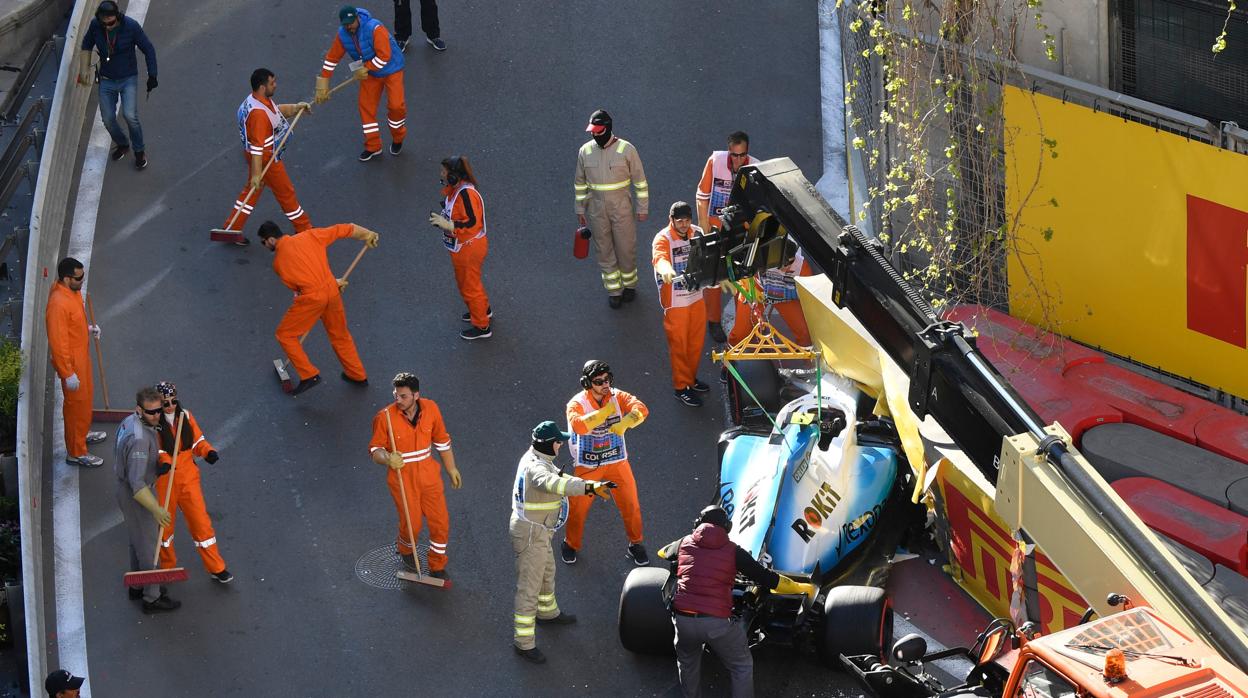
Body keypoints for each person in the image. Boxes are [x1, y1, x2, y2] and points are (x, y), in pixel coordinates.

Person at [664, 505, 813, 698]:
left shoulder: (684, 542)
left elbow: (665, 552)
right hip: (716, 624)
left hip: (683, 620)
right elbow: (768, 579)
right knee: (741, 665)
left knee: (687, 662)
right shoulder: (734, 552)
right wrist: (798, 587)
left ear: (697, 524)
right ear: (728, 527)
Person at [510, 421, 613, 664]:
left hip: (539, 531)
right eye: (559, 441)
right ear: (549, 445)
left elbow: (557, 475)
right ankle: (523, 642)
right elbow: (554, 483)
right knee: (529, 586)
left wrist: (589, 486)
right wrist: (588, 487)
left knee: (546, 572)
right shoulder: (536, 469)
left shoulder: (538, 458)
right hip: (532, 533)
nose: (562, 444)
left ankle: (547, 613)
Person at [259, 220, 379, 395]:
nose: (264, 246)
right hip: (331, 290)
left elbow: (299, 289)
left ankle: (308, 374)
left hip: (311, 299)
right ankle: (357, 374)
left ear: (270, 240)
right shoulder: (309, 235)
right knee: (340, 335)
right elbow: (343, 229)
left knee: (285, 334)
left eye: (263, 242)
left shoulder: (278, 264)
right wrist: (367, 234)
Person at [368, 372, 461, 579]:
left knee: (440, 522)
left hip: (430, 477)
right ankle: (406, 548)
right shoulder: (384, 418)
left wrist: (451, 468)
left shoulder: (432, 409)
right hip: (402, 479)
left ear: (416, 395)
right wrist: (387, 458)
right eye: (396, 395)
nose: (398, 400)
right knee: (412, 524)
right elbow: (375, 450)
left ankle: (437, 565)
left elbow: (442, 441)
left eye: (403, 396)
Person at [562, 360, 650, 566]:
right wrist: (604, 412)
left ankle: (636, 543)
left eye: (607, 379)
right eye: (598, 381)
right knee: (578, 508)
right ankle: (570, 544)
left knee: (631, 505)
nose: (605, 384)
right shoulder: (576, 404)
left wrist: (628, 422)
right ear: (587, 383)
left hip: (617, 462)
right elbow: (580, 426)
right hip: (588, 466)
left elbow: (641, 409)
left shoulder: (617, 396)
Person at [220, 68, 313, 247]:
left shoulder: (254, 101)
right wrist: (257, 173)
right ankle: (304, 228)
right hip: (266, 159)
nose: (275, 85)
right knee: (286, 193)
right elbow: (257, 149)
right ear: (262, 87)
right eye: (272, 83)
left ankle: (231, 228)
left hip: (258, 157)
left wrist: (295, 108)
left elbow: (276, 114)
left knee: (251, 191)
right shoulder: (259, 115)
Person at [153, 382, 232, 584]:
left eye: (172, 401)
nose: (170, 406)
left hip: (188, 478)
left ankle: (216, 567)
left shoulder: (185, 416)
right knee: (165, 528)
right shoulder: (153, 423)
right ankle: (167, 567)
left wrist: (208, 451)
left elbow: (197, 442)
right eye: (165, 403)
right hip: (165, 481)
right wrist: (164, 462)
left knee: (201, 524)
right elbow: (157, 450)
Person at [574, 110, 649, 308]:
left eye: (599, 131)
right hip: (596, 209)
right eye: (593, 131)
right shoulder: (585, 151)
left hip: (622, 207)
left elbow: (640, 182)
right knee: (604, 250)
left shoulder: (627, 150)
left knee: (626, 249)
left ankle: (629, 285)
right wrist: (580, 209)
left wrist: (643, 208)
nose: (595, 135)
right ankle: (614, 290)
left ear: (608, 128)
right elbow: (580, 183)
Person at [115, 386, 180, 613]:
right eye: (151, 412)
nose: (157, 416)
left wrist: (155, 467)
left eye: (159, 411)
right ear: (139, 409)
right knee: (149, 548)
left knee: (137, 541)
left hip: (126, 487)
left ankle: (137, 585)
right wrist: (157, 510)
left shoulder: (129, 421)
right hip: (137, 496)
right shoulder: (140, 440)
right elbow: (137, 485)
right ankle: (152, 598)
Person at [316, 6, 406, 161]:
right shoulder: (343, 34)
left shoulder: (375, 28)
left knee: (396, 107)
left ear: (358, 18)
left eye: (351, 23)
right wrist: (322, 84)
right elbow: (331, 59)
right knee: (366, 107)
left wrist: (366, 67)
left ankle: (398, 138)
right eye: (345, 24)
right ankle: (373, 146)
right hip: (369, 73)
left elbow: (385, 56)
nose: (348, 27)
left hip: (392, 69)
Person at [76, 1, 157, 170]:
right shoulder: (95, 25)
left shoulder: (131, 27)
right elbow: (86, 45)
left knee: (130, 116)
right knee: (107, 119)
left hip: (128, 78)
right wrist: (84, 69)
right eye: (103, 23)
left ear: (118, 18)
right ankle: (122, 143)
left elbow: (148, 48)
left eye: (111, 23)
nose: (107, 26)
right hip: (106, 79)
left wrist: (152, 74)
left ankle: (139, 150)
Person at [696, 131, 759, 343]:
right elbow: (702, 197)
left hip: (740, 232)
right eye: (734, 155)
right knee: (714, 278)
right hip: (715, 228)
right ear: (729, 151)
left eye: (743, 155)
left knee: (741, 277)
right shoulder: (715, 162)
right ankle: (713, 321)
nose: (738, 160)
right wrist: (706, 232)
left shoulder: (756, 169)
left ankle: (743, 324)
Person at [45, 257, 106, 468]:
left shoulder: (72, 291)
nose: (82, 281)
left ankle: (81, 434)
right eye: (79, 278)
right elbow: (58, 342)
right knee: (75, 406)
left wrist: (88, 330)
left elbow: (73, 324)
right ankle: (76, 452)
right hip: (72, 364)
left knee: (86, 399)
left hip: (81, 357)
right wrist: (67, 373)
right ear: (66, 278)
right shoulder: (57, 304)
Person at [653, 201, 710, 407]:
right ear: (672, 220)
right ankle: (681, 387)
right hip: (675, 302)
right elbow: (659, 257)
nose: (684, 225)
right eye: (680, 221)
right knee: (679, 346)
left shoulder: (697, 232)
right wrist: (665, 268)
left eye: (687, 220)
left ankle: (690, 379)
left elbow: (709, 256)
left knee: (695, 343)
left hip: (695, 297)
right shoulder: (663, 238)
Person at [428, 156, 492, 340]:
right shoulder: (458, 191)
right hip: (466, 247)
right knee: (472, 283)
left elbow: (472, 223)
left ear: (455, 176)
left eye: (444, 172)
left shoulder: (466, 194)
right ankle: (482, 310)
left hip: (468, 249)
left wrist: (448, 225)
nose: (441, 174)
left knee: (469, 287)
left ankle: (482, 326)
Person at [726, 245, 813, 348]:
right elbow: (743, 272)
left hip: (786, 296)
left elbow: (809, 300)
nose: (787, 267)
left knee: (805, 332)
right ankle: (730, 357)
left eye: (791, 263)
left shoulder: (802, 268)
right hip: (759, 290)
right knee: (740, 331)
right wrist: (746, 285)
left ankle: (808, 358)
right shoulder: (760, 256)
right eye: (783, 263)